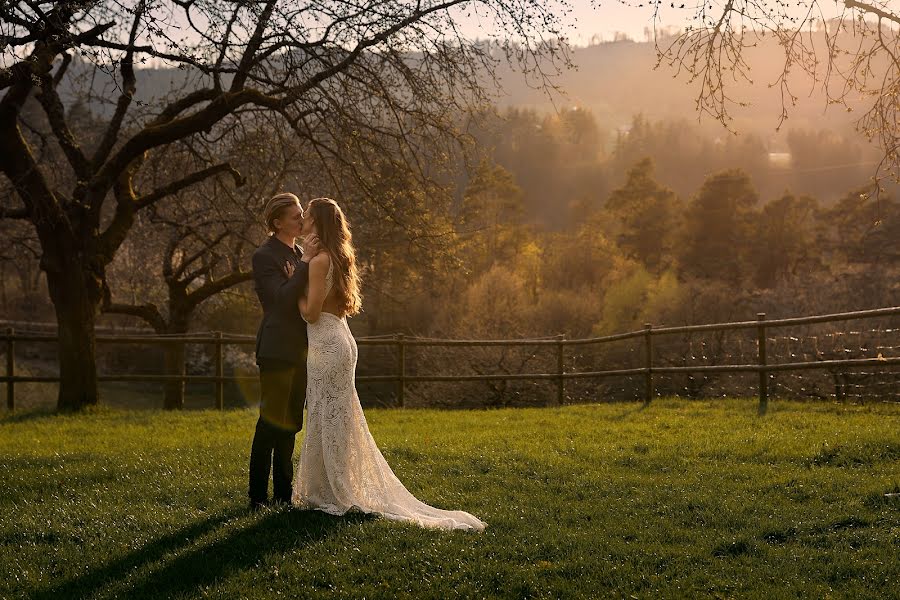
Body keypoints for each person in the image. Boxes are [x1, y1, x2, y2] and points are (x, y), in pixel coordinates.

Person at [288, 197, 486, 531]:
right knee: (336, 415)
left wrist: (296, 279)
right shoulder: (340, 255)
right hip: (341, 339)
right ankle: (329, 485)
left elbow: (310, 312)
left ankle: (332, 490)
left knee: (326, 413)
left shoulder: (319, 260)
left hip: (327, 342)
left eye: (307, 216)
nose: (302, 219)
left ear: (317, 223)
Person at [248, 192, 319, 509]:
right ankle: (257, 496)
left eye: (302, 213)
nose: (301, 219)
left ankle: (283, 494)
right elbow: (280, 300)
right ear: (277, 222)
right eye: (295, 216)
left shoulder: (300, 253)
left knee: (291, 421)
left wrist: (300, 271)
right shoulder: (265, 255)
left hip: (301, 348)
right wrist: (302, 268)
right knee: (270, 421)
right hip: (276, 348)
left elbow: (302, 296)